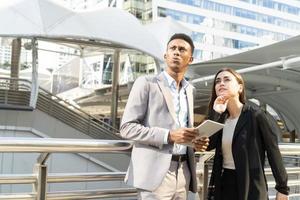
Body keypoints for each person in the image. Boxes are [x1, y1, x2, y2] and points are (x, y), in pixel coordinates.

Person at [120, 33, 204, 200]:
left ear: (191, 59)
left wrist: (195, 141)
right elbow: (127, 128)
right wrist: (168, 136)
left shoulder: (190, 90)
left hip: (184, 172)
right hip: (155, 174)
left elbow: (182, 131)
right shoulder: (146, 83)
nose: (176, 52)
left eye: (182, 49)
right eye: (172, 48)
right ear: (165, 55)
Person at [195, 68, 289, 200]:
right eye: (217, 81)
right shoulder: (220, 117)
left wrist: (282, 188)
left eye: (227, 79)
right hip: (225, 184)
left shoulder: (255, 115)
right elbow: (208, 144)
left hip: (251, 184)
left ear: (240, 88)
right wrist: (217, 113)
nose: (221, 83)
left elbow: (273, 151)